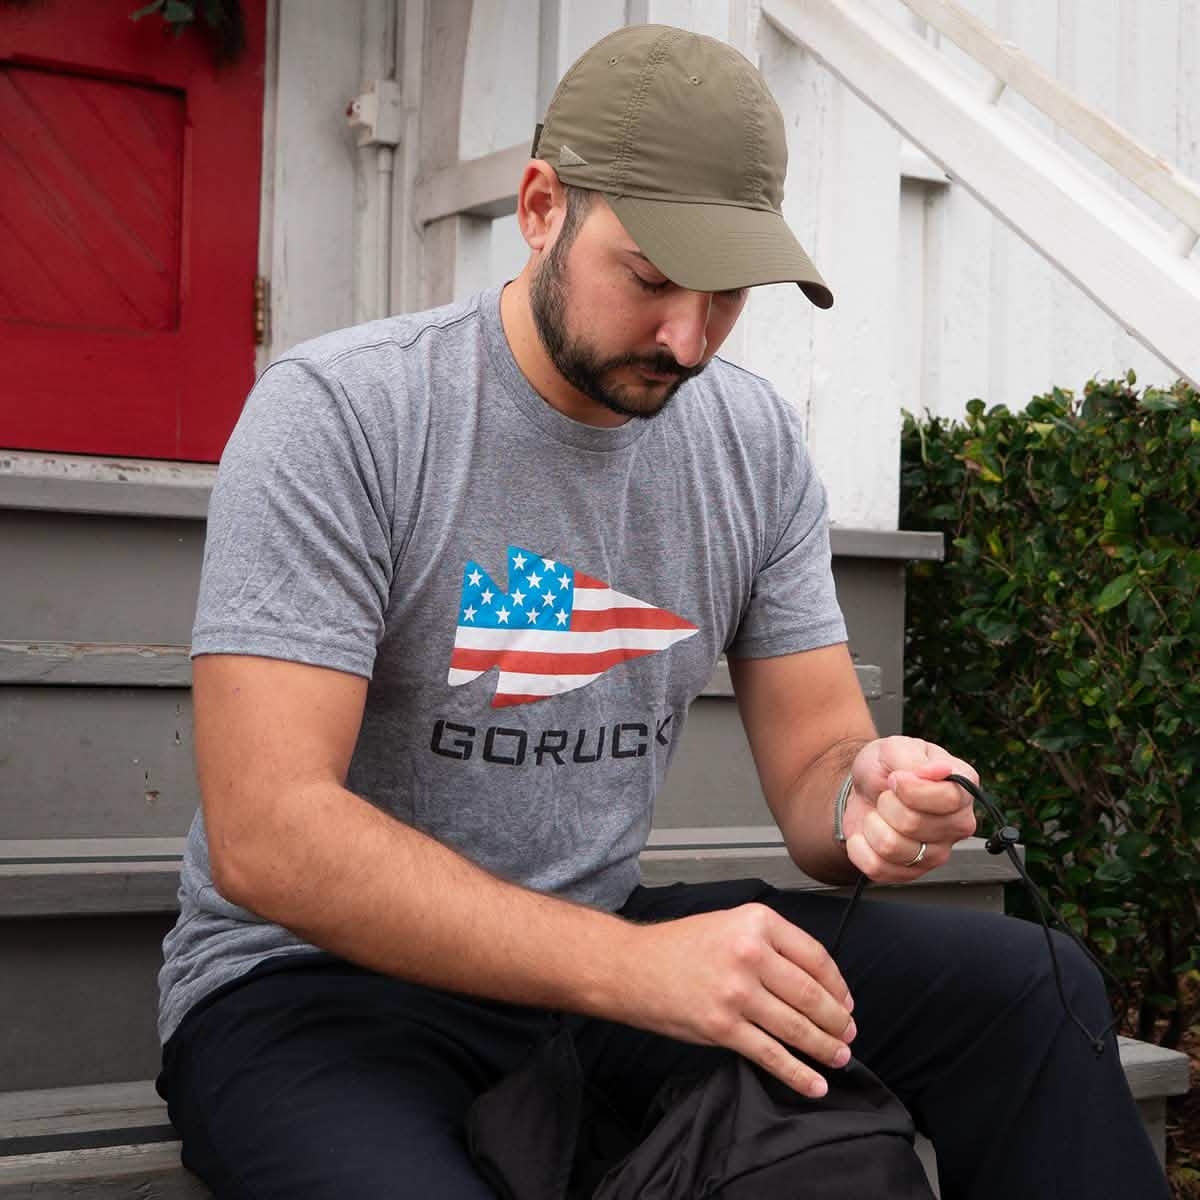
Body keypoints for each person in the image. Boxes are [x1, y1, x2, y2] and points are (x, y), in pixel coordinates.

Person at [156, 23, 1168, 1200]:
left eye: (725, 294)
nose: (689, 339)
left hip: (600, 954)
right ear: (542, 209)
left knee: (1032, 992)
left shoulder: (747, 442)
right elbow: (271, 834)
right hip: (310, 988)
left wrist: (869, 801)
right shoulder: (341, 417)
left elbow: (816, 775)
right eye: (648, 280)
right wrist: (634, 968)